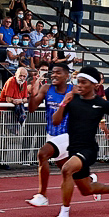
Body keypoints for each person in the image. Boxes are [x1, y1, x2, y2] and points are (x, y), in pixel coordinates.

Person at [43, 67, 109, 217]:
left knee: (66, 169)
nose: (80, 86)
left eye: (84, 83)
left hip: (89, 150)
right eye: (78, 82)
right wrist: (65, 101)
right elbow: (56, 121)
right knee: (87, 190)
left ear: (94, 85)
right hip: (74, 149)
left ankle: (64, 215)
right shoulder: (73, 100)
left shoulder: (101, 103)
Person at [27, 61, 74, 207]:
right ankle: (90, 180)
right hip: (52, 134)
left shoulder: (75, 90)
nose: (54, 75)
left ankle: (42, 195)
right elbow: (32, 109)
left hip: (69, 134)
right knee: (65, 169)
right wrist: (32, 94)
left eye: (58, 72)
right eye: (52, 72)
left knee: (42, 154)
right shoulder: (47, 89)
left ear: (67, 76)